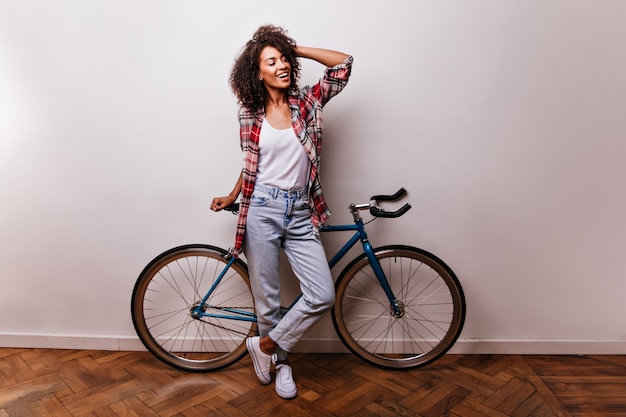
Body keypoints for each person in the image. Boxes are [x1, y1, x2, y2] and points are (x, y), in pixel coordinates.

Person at [211, 25, 353, 399]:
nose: (282, 65)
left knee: (322, 294)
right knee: (268, 300)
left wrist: (295, 48)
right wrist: (231, 195)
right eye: (271, 61)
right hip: (261, 207)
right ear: (258, 73)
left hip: (302, 209)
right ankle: (282, 367)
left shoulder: (307, 102)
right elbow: (251, 164)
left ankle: (266, 346)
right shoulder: (249, 114)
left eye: (284, 59)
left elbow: (344, 65)